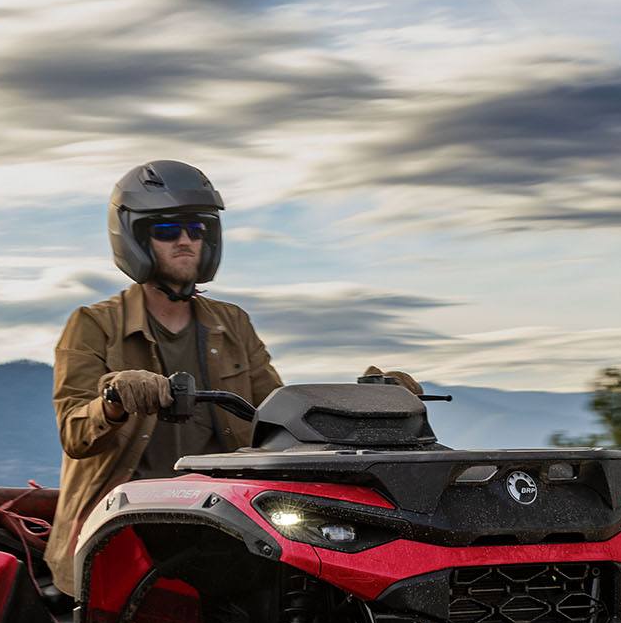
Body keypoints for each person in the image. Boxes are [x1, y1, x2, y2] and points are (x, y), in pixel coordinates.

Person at [43, 159, 421, 596]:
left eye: (196, 230)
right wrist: (114, 401)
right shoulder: (93, 325)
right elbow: (74, 432)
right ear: (137, 239)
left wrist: (369, 401)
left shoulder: (232, 324)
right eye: (167, 231)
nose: (185, 241)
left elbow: (280, 417)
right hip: (127, 524)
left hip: (219, 521)